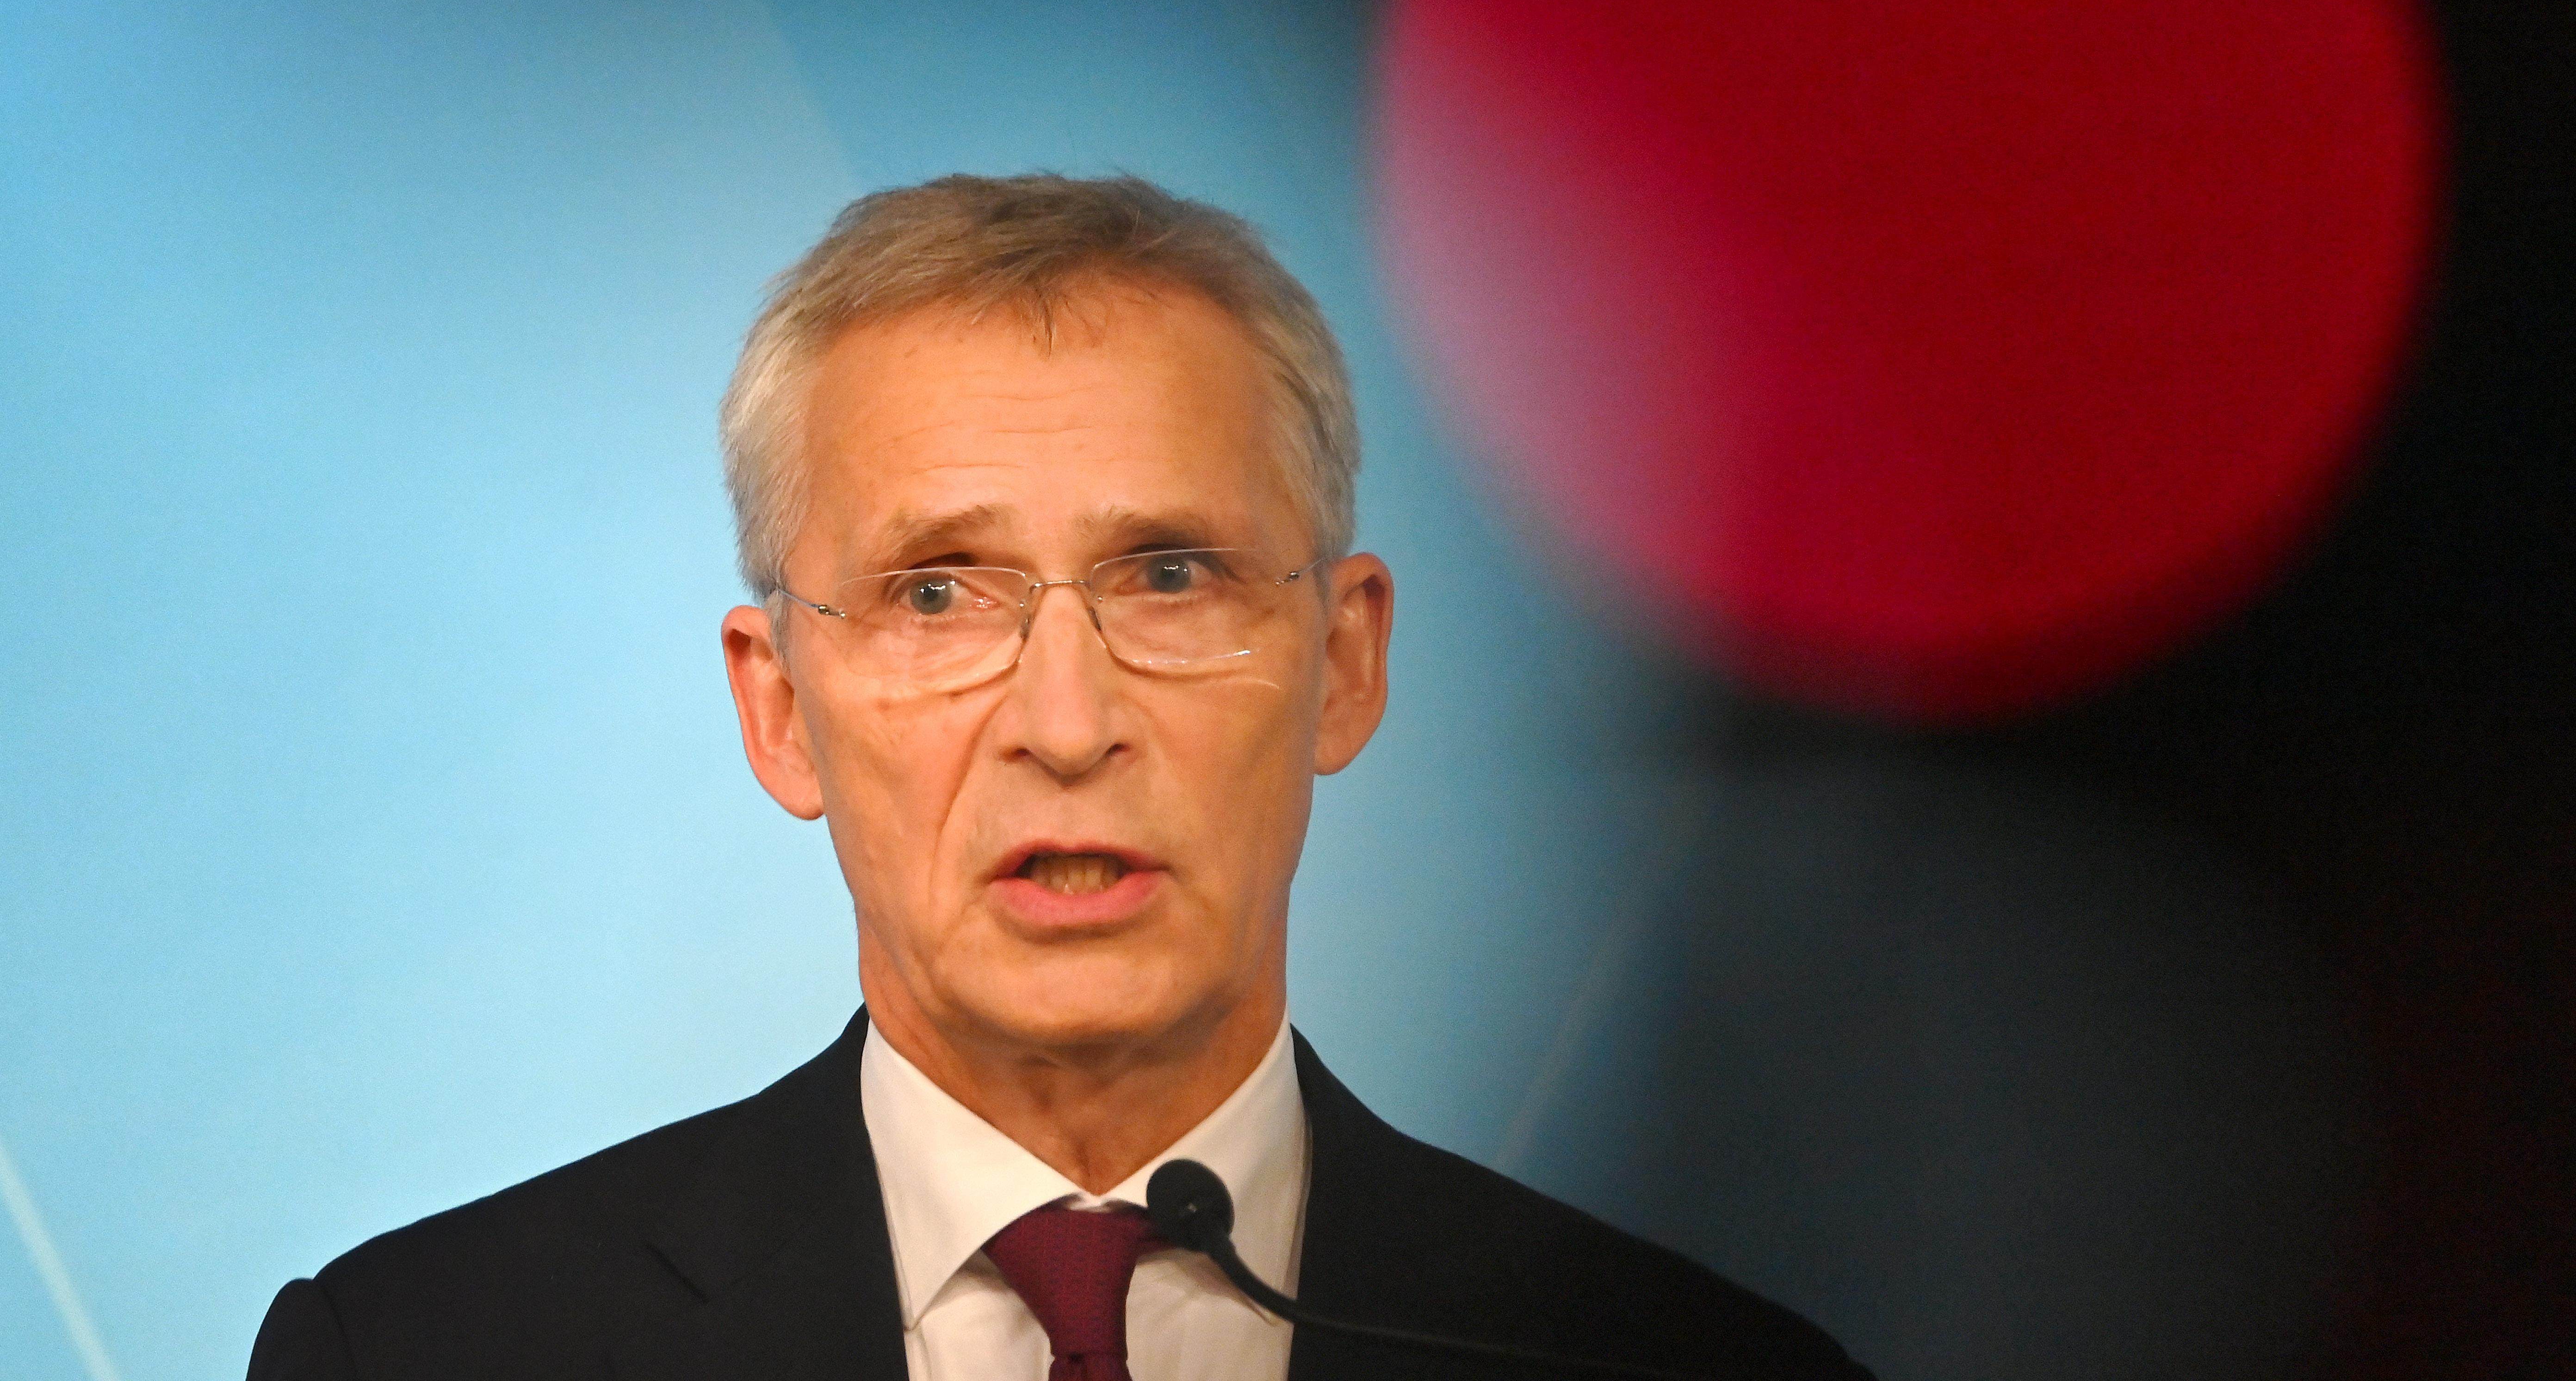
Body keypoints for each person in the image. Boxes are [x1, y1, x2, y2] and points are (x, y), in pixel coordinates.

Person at [247, 175, 1870, 1380]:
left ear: (1345, 663)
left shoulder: (1681, 1365)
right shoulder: (422, 1355)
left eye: (1169, 577)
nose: (1068, 722)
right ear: (780, 709)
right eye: (938, 594)